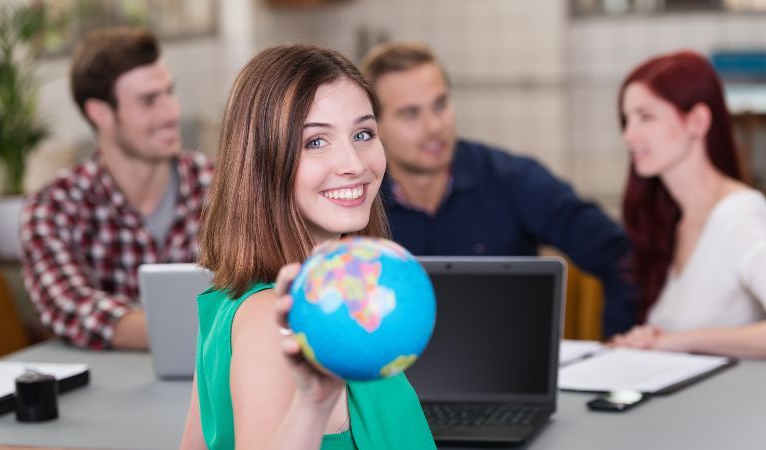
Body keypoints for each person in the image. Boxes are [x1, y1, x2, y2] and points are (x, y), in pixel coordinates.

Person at [178, 44, 435, 449]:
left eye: (363, 133)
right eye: (316, 142)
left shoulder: (273, 302)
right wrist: (313, 406)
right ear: (262, 163)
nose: (354, 162)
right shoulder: (271, 322)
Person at [361, 42, 637, 337]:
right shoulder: (357, 201)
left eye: (440, 105)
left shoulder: (513, 179)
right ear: (376, 126)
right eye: (411, 114)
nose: (434, 126)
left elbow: (621, 256)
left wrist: (619, 341)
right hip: (391, 376)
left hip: (508, 375)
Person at [20, 27, 213, 350]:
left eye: (169, 92)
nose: (172, 112)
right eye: (149, 101)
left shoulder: (222, 187)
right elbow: (71, 308)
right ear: (100, 113)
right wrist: (220, 323)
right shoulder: (54, 208)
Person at [610, 51, 766, 358]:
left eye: (646, 117)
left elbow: (677, 340)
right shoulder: (672, 221)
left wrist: (677, 340)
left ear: (697, 121)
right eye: (627, 120)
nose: (629, 135)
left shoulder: (739, 215)